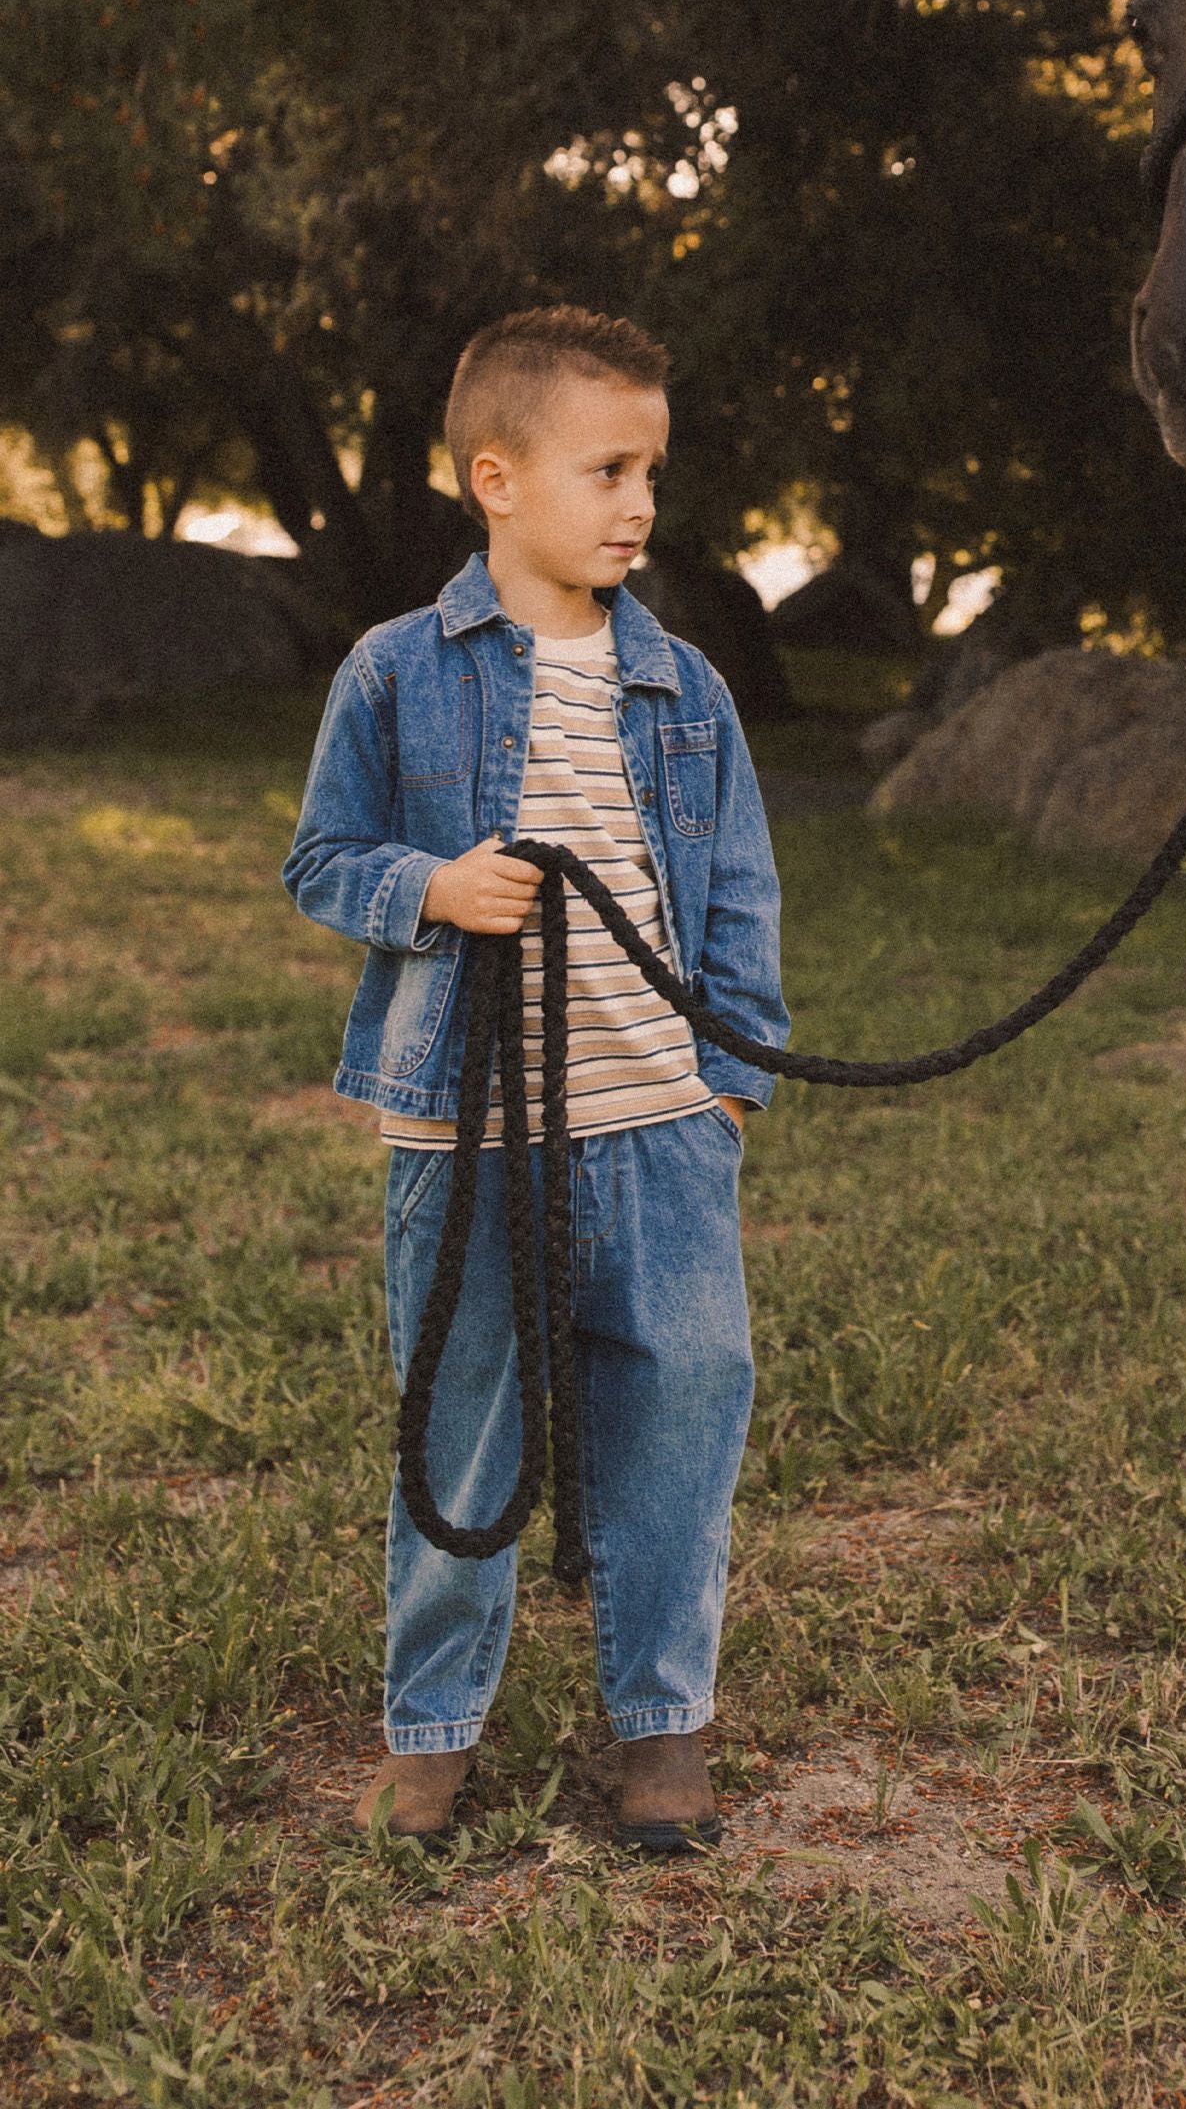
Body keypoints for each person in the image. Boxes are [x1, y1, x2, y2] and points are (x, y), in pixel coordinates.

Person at [283, 305, 787, 1849]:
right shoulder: (395, 672)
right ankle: (433, 1730)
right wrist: (432, 888)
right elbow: (321, 859)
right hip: (467, 1126)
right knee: (462, 1425)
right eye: (608, 468)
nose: (641, 502)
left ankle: (663, 1726)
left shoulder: (685, 689)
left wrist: (731, 1083)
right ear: (495, 479)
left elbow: (740, 893)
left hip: (655, 1126)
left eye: (652, 469)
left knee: (679, 1408)